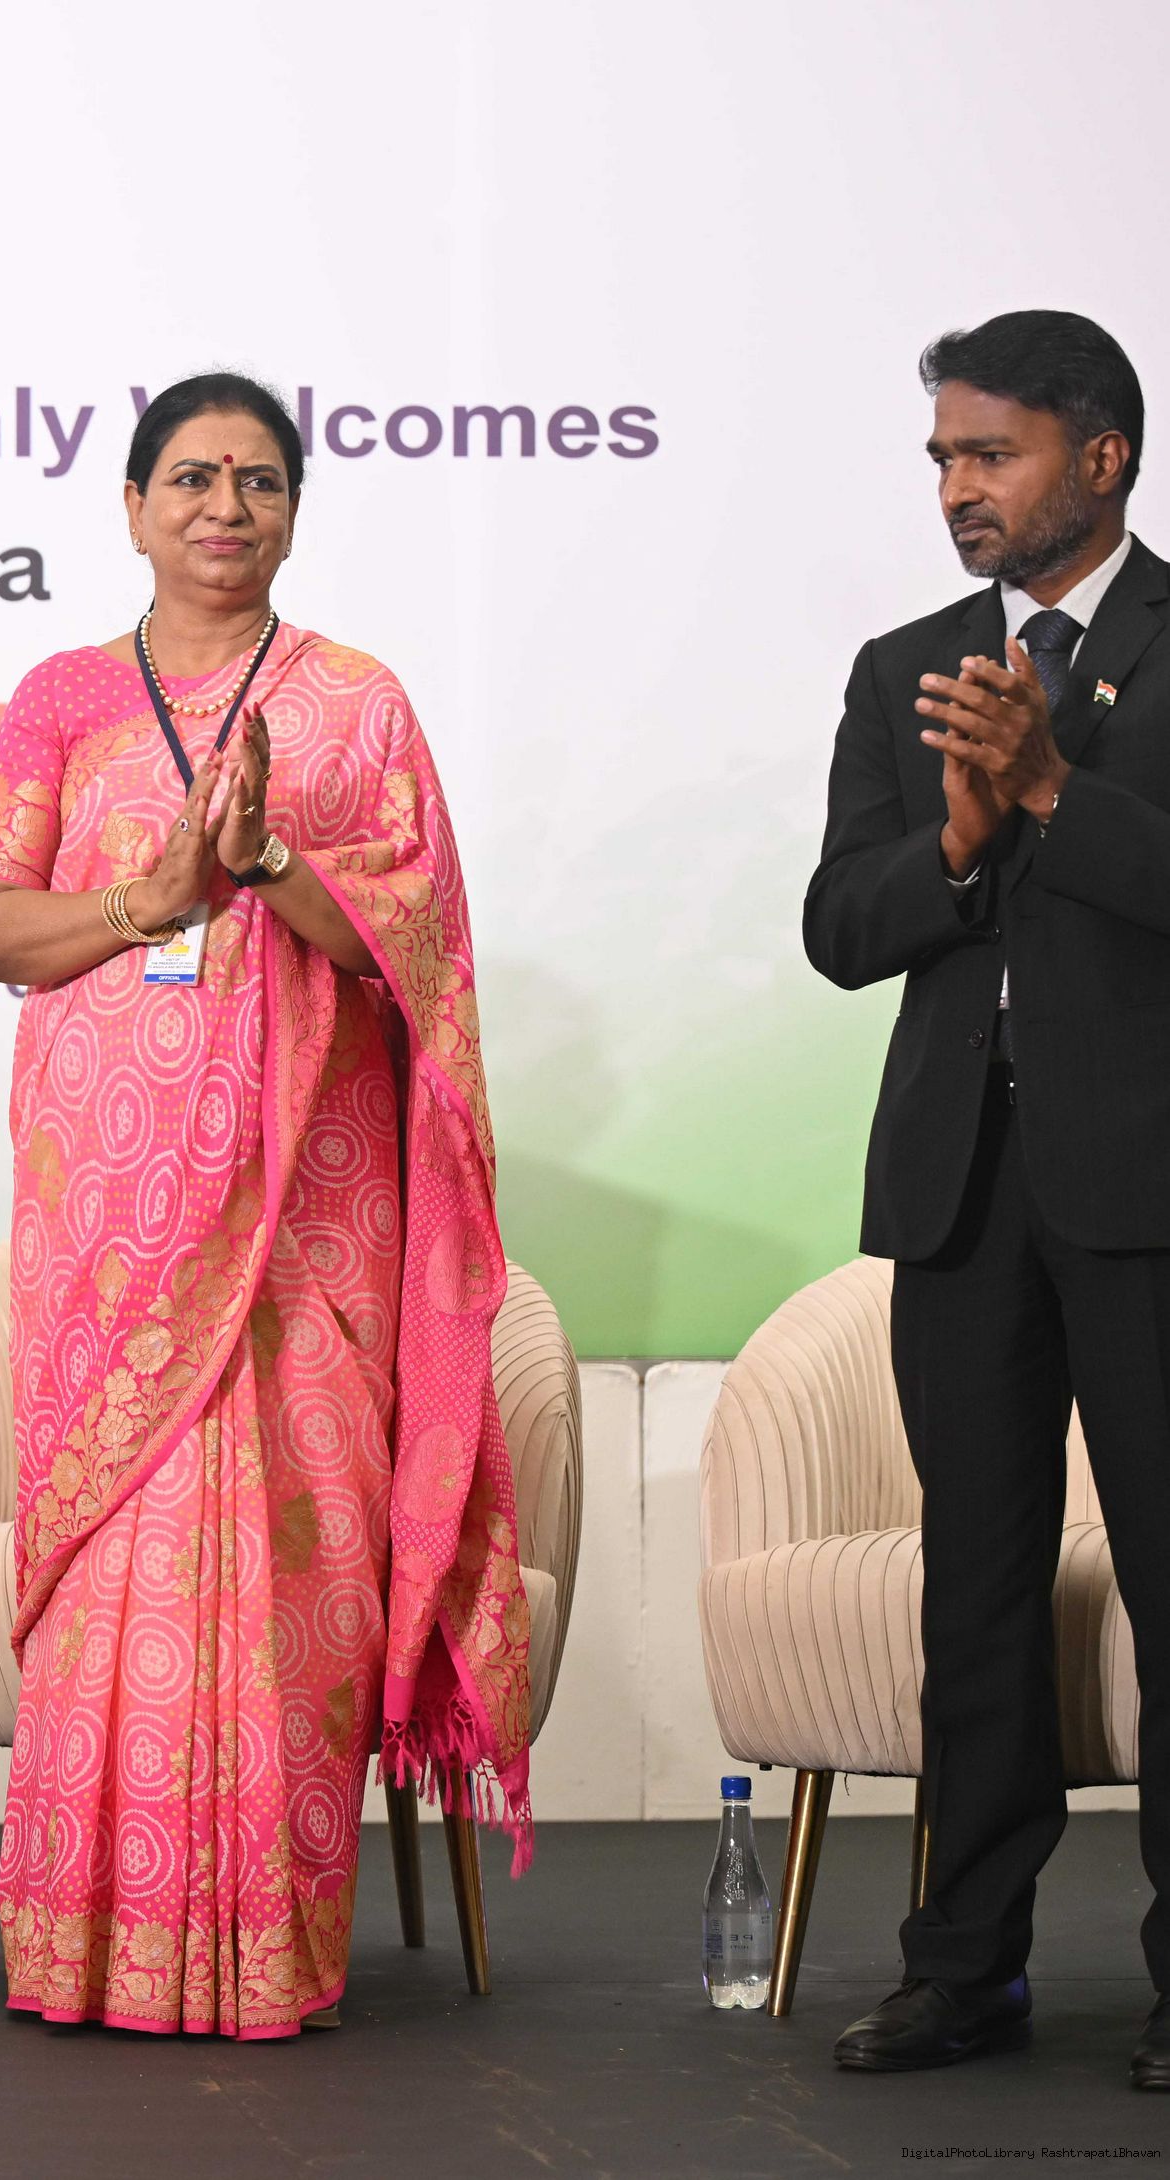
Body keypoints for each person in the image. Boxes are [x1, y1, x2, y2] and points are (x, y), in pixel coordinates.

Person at [0, 373, 528, 2039]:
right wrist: (156, 894)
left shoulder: (355, 704)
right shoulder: (63, 698)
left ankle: (265, 1950)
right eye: (192, 478)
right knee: (116, 1563)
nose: (225, 506)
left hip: (300, 1214)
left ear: (291, 511)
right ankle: (87, 1950)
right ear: (132, 506)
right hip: (107, 1208)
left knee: (289, 1570)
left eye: (258, 480)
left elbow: (417, 955)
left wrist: (272, 862)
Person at [807, 310, 1170, 2088]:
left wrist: (1047, 791)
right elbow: (837, 927)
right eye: (942, 457)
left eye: (989, 453)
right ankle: (962, 1968)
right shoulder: (907, 666)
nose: (956, 486)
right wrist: (956, 843)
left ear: (1099, 457)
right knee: (974, 1591)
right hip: (961, 1191)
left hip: (1147, 1189)